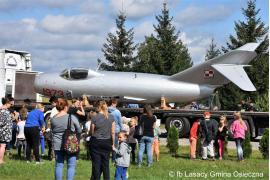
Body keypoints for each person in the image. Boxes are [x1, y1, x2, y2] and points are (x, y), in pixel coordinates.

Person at [51, 98, 81, 180]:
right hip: (70, 143)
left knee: (59, 165)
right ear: (65, 107)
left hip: (57, 144)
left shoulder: (53, 119)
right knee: (71, 165)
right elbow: (79, 130)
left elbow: (52, 130)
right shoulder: (71, 117)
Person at [89, 101, 115, 180]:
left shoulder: (94, 117)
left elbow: (92, 132)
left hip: (96, 142)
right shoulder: (111, 117)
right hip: (107, 142)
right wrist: (113, 144)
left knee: (96, 165)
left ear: (98, 107)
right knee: (106, 165)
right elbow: (113, 132)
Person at [108, 99, 122, 163]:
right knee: (115, 145)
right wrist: (121, 129)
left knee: (107, 144)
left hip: (107, 129)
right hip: (116, 130)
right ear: (115, 103)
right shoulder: (117, 112)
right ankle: (113, 160)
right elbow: (120, 122)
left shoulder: (106, 110)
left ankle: (106, 158)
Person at [0, 97, 13, 164]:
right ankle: (0, 160)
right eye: (10, 104)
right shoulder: (5, 112)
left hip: (2, 131)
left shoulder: (2, 110)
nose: (10, 105)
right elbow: (2, 122)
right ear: (7, 103)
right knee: (3, 146)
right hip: (3, 131)